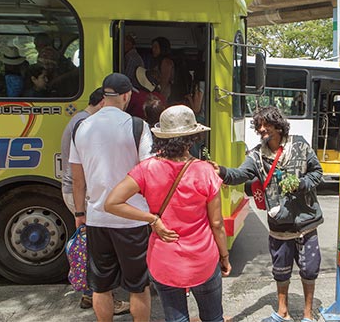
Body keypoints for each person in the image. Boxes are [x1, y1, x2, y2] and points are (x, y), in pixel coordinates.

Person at [105, 105, 231, 322]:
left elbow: (112, 203)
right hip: (203, 259)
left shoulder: (146, 169)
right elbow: (217, 223)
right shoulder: (205, 171)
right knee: (213, 318)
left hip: (164, 260)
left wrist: (153, 219)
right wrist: (224, 256)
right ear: (192, 138)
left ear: (161, 138)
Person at [214, 106, 323, 322]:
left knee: (309, 270)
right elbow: (240, 174)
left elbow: (317, 172)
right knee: (280, 271)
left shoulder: (300, 145)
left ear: (279, 125)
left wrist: (301, 184)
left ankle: (308, 314)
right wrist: (222, 171)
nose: (262, 129)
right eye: (259, 125)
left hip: (306, 222)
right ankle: (282, 311)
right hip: (279, 225)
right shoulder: (256, 155)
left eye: (267, 124)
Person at [69, 73, 154, 322]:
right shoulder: (137, 126)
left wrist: (79, 213)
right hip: (132, 220)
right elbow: (148, 172)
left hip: (97, 218)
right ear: (127, 96)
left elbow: (77, 178)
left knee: (100, 285)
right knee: (138, 285)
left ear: (104, 96)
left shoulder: (82, 127)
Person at [59, 87, 131, 313]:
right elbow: (80, 177)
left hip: (80, 191)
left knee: (93, 248)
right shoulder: (85, 124)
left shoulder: (81, 121)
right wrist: (80, 212)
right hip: (81, 192)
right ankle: (98, 296)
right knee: (95, 251)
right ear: (102, 102)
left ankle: (93, 294)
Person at [150, 36, 175, 102]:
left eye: (156, 47)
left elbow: (164, 81)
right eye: (152, 47)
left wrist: (159, 97)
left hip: (164, 94)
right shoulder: (159, 61)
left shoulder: (166, 62)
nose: (153, 49)